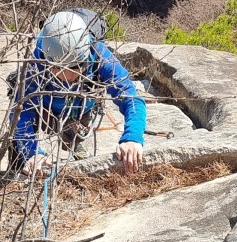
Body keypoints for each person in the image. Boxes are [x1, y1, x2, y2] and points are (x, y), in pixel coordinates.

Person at [8, 10, 146, 175]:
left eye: (77, 68)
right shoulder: (35, 65)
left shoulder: (99, 55)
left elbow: (130, 97)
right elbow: (21, 112)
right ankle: (17, 168)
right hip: (46, 111)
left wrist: (132, 137)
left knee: (77, 144)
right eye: (62, 70)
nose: (71, 77)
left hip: (81, 110)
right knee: (20, 148)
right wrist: (32, 152)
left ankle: (74, 141)